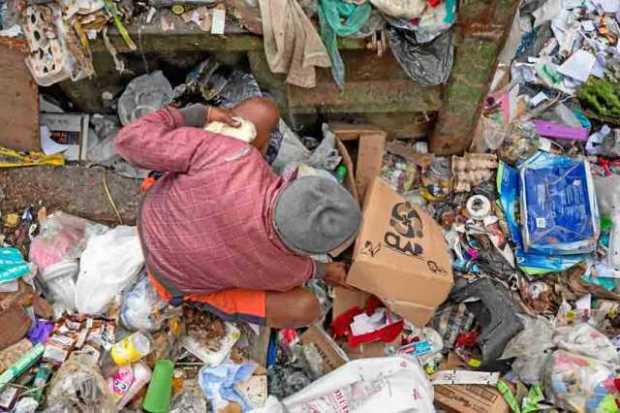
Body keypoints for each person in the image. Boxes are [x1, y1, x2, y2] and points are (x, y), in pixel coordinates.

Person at [115, 97, 362, 328]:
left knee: (262, 112)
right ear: (306, 250)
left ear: (291, 179)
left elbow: (129, 142)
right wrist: (325, 272)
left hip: (154, 209)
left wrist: (199, 114)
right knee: (306, 309)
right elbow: (306, 271)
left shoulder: (231, 154)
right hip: (169, 280)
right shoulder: (286, 269)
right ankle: (197, 301)